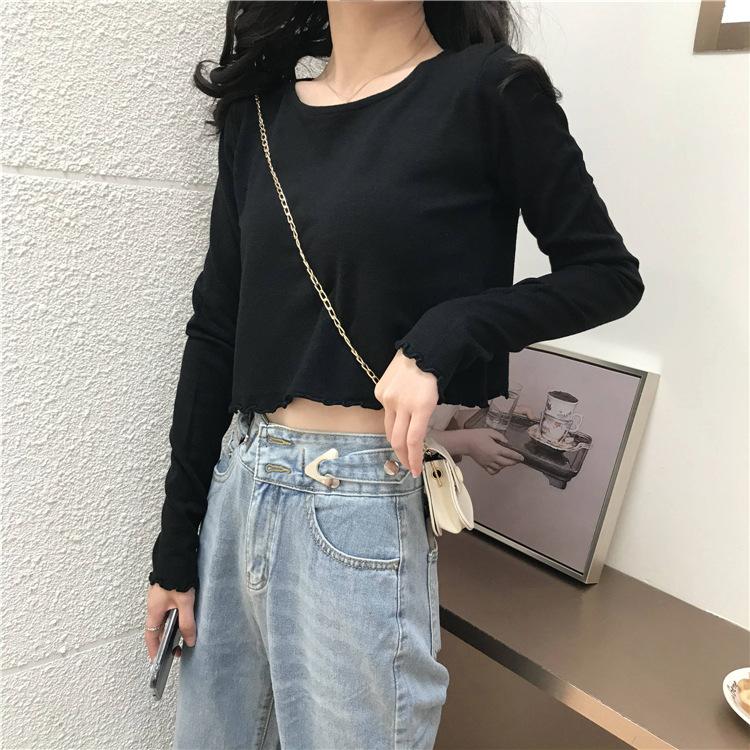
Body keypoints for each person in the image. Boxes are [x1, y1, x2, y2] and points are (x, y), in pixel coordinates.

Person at [144, 2, 645, 748]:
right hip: (238, 489)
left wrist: (447, 332)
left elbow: (606, 274)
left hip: (359, 503)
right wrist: (174, 549)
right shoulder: (258, 121)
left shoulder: (491, 91)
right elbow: (216, 331)